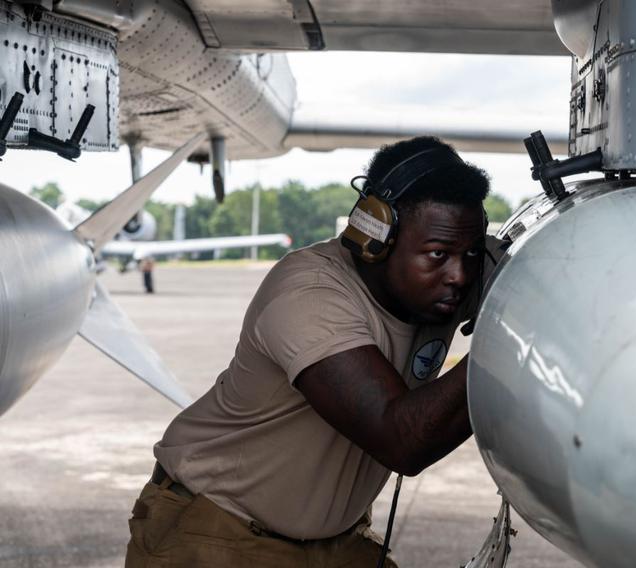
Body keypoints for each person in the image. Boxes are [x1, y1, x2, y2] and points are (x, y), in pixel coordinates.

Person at [125, 136, 503, 567]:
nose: (459, 274)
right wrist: (508, 343)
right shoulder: (310, 294)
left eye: (472, 252)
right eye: (438, 254)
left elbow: (541, 272)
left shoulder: (445, 279)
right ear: (374, 237)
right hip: (220, 530)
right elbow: (401, 440)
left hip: (335, 540)